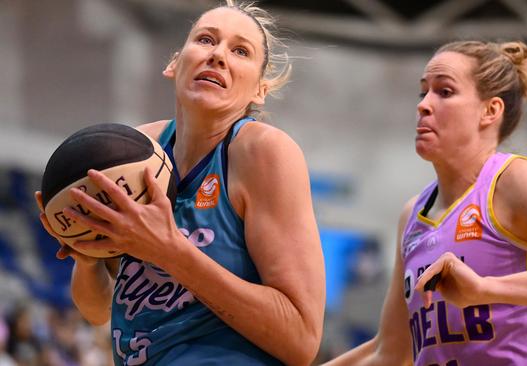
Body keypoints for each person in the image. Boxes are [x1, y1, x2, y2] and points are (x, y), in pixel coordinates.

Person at [34, 1, 325, 365]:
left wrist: (169, 251)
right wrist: (87, 251)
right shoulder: (132, 155)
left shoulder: (264, 153)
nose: (218, 55)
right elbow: (97, 311)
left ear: (259, 91)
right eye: (206, 39)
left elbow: (301, 340)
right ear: (174, 63)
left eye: (240, 51)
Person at [324, 40, 527, 365]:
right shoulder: (412, 215)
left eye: (445, 91)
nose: (424, 104)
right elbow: (390, 352)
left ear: (490, 110)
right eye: (422, 92)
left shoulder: (517, 180)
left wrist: (484, 289)